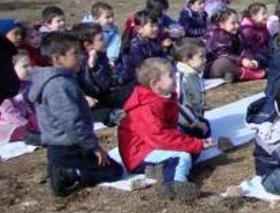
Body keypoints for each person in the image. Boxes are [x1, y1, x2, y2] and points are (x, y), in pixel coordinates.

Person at [28, 32, 122, 196]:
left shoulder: (62, 79)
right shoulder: (59, 85)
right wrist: (94, 147)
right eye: (75, 53)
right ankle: (69, 173)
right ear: (58, 59)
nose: (81, 56)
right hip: (69, 146)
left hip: (61, 145)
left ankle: (62, 166)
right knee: (113, 172)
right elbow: (72, 122)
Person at [118, 58, 207, 201]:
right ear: (155, 84)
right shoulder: (144, 108)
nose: (175, 77)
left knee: (192, 145)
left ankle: (159, 171)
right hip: (140, 155)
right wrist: (195, 144)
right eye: (171, 75)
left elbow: (168, 129)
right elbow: (160, 137)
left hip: (152, 146)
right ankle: (173, 186)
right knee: (181, 156)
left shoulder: (162, 97)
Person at [204, 9, 264, 82]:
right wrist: (241, 60)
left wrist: (250, 60)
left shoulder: (237, 33)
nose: (237, 25)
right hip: (213, 67)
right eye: (233, 23)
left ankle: (233, 74)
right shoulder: (216, 35)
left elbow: (244, 48)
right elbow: (221, 54)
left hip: (235, 61)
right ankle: (248, 74)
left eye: (238, 22)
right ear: (222, 25)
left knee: (258, 56)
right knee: (222, 63)